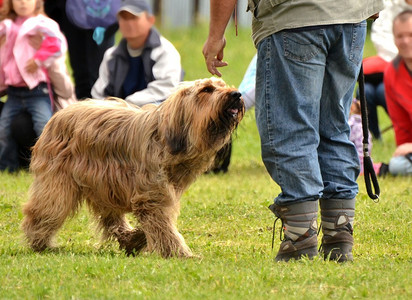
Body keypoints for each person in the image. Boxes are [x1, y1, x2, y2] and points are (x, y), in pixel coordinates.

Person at [203, 0, 384, 262]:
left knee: (290, 129)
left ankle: (300, 237)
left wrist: (214, 35)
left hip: (295, 15)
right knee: (334, 126)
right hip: (351, 15)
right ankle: (339, 234)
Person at [0, 0, 68, 172]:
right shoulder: (7, 26)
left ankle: (49, 167)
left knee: (44, 127)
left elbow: (57, 44)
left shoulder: (42, 24)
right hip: (14, 92)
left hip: (38, 91)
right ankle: (8, 166)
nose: (23, 2)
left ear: (38, 2)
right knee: (3, 129)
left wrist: (39, 59)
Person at [91, 0, 183, 106]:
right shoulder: (111, 55)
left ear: (150, 20)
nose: (129, 23)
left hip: (156, 117)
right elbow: (98, 95)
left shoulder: (165, 51)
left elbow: (166, 88)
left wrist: (126, 104)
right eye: (124, 18)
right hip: (117, 117)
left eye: (134, 17)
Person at [44, 0, 118, 100]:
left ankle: (103, 112)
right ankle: (84, 112)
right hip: (73, 14)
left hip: (104, 12)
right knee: (82, 77)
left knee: (104, 75)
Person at [361, 0, 412, 140]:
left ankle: (406, 135)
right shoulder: (390, 4)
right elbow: (380, 37)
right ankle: (373, 137)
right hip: (391, 63)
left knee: (381, 91)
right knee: (367, 91)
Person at [382, 10, 412, 176]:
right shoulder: (391, 73)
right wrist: (405, 149)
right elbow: (401, 125)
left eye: (411, 35)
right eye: (400, 36)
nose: (405, 41)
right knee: (397, 165)